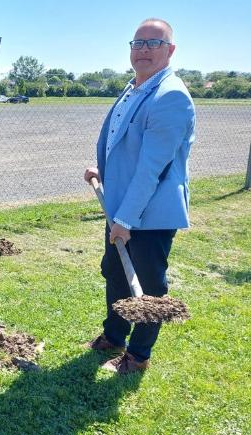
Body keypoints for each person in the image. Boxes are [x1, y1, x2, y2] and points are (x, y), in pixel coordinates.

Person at [84, 18, 195, 375]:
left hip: (149, 212)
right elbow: (127, 147)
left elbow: (153, 168)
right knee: (116, 274)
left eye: (153, 43)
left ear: (170, 51)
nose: (144, 49)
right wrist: (106, 174)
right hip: (121, 205)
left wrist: (126, 220)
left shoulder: (171, 95)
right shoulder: (135, 87)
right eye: (138, 43)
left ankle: (138, 355)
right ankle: (114, 335)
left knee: (147, 286)